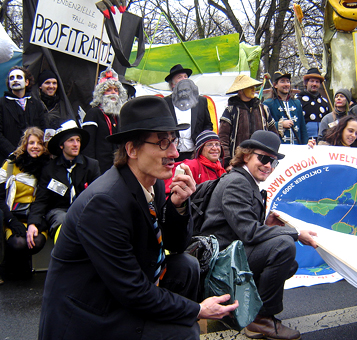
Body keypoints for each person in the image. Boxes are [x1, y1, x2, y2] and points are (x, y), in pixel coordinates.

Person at [38, 96, 238, 340]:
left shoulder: (155, 183)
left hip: (120, 289)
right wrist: (198, 309)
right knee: (183, 332)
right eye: (163, 143)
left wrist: (179, 205)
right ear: (131, 149)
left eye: (173, 141)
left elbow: (175, 246)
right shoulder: (105, 202)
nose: (175, 153)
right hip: (91, 310)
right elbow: (132, 291)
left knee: (186, 266)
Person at [198, 130, 318, 340]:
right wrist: (296, 234)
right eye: (263, 158)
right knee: (283, 246)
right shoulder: (237, 182)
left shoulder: (244, 180)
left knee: (288, 264)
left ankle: (240, 310)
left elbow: (244, 229)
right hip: (220, 263)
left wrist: (267, 225)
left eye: (273, 162)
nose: (268, 166)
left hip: (230, 253)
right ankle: (260, 319)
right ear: (246, 155)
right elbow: (250, 233)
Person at [27, 120, 100, 239]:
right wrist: (33, 223)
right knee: (64, 221)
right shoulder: (49, 169)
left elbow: (98, 196)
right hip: (58, 211)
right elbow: (41, 200)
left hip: (85, 210)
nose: (76, 144)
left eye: (78, 140)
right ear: (61, 145)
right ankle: (63, 256)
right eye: (71, 140)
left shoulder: (91, 165)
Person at [0, 127, 50, 279]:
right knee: (19, 243)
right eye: (31, 143)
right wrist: (11, 221)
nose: (35, 146)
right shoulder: (10, 165)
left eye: (40, 143)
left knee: (35, 242)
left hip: (36, 217)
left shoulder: (49, 167)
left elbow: (46, 199)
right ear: (25, 145)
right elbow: (0, 197)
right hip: (13, 216)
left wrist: (35, 223)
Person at [219, 74, 279, 167]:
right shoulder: (230, 111)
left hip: (261, 162)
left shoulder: (263, 109)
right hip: (237, 163)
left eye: (254, 87)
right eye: (249, 87)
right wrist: (227, 162)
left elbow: (274, 135)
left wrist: (271, 158)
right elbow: (223, 138)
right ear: (241, 90)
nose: (253, 90)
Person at [82, 67, 128, 173]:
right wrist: (91, 169)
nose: (113, 93)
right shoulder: (93, 113)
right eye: (109, 90)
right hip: (99, 168)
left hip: (117, 167)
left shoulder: (119, 116)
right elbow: (88, 146)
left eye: (116, 90)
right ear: (101, 94)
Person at [164, 64, 213, 161]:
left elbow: (207, 125)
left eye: (186, 77)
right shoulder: (165, 103)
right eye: (179, 77)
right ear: (173, 84)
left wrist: (202, 143)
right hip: (172, 153)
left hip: (195, 153)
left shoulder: (201, 101)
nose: (184, 79)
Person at [0, 66, 46, 165]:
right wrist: (14, 152)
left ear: (27, 82)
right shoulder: (1, 104)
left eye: (19, 77)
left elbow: (43, 128)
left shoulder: (36, 104)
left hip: (34, 160)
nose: (15, 80)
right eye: (11, 78)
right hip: (8, 159)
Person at [263, 71, 307, 145]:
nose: (286, 84)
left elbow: (302, 127)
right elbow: (264, 126)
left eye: (288, 81)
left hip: (297, 147)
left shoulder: (296, 103)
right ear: (275, 85)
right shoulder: (268, 104)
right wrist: (280, 125)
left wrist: (305, 145)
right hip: (278, 147)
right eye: (282, 82)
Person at [295, 67, 330, 139]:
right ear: (306, 83)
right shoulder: (297, 100)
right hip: (304, 140)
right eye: (312, 81)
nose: (314, 84)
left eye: (317, 82)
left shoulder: (324, 102)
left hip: (322, 140)